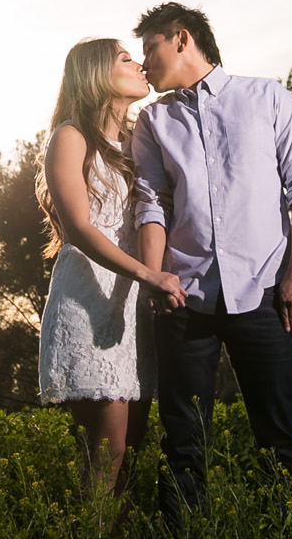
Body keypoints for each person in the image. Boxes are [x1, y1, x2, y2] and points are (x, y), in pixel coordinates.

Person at [130, 2, 292, 523]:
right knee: (183, 443)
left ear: (182, 39)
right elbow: (151, 202)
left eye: (151, 48)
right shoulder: (152, 121)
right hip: (184, 297)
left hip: (264, 291)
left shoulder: (268, 98)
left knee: (280, 437)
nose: (145, 63)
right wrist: (154, 279)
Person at [36, 37, 187, 497]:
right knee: (108, 454)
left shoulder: (138, 141)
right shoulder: (70, 135)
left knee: (133, 457)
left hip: (135, 305)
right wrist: (149, 274)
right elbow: (78, 227)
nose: (139, 63)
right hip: (89, 299)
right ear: (98, 74)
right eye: (125, 58)